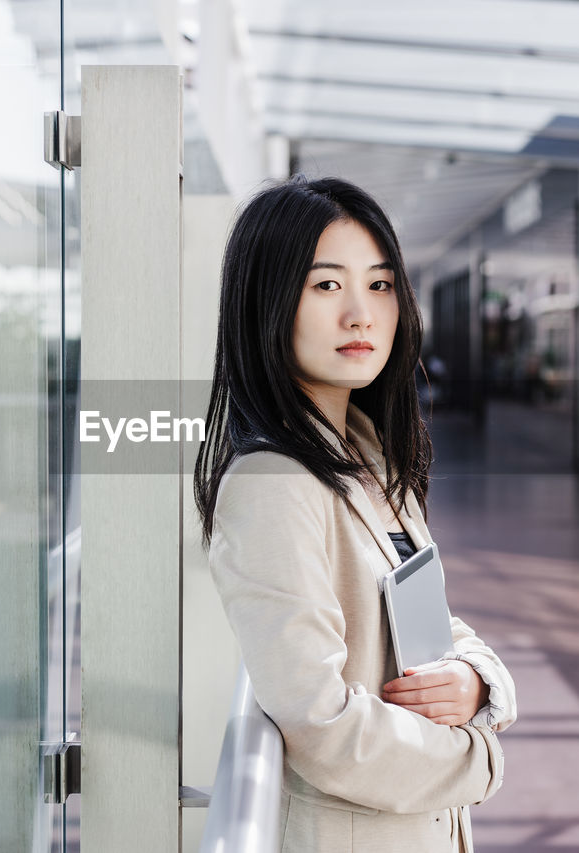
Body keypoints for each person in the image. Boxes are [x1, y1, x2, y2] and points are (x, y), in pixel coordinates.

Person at [194, 176, 517, 852]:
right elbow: (319, 722)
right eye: (326, 286)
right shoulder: (273, 482)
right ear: (267, 303)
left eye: (378, 285)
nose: (361, 315)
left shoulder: (367, 452)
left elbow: (431, 618)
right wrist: (476, 756)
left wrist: (476, 680)